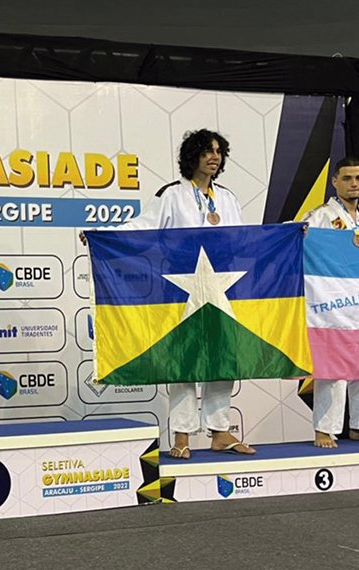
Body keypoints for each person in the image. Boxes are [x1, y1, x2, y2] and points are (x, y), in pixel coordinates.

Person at [81, 129, 256, 459]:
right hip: (181, 290)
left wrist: (288, 234)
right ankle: (182, 437)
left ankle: (221, 433)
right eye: (207, 151)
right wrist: (101, 235)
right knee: (184, 362)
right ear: (193, 156)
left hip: (222, 290)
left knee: (223, 362)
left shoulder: (229, 199)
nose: (214, 157)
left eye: (219, 151)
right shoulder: (172, 194)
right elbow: (140, 227)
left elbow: (245, 239)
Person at [303, 157, 359, 448]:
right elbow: (292, 240)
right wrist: (299, 236)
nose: (353, 183)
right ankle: (324, 429)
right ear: (335, 181)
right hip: (332, 304)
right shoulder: (319, 216)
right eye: (347, 178)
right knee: (333, 368)